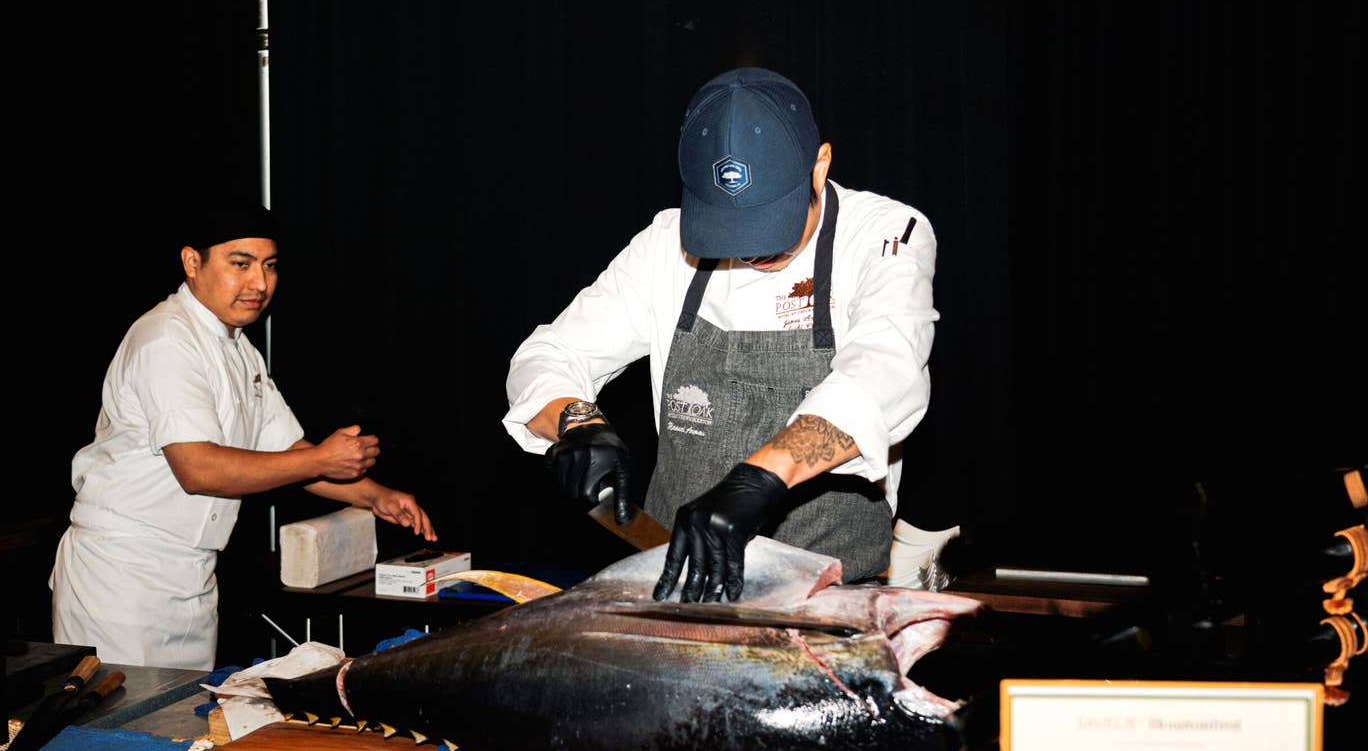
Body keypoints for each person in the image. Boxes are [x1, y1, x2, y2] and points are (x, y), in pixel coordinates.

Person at [504, 67, 937, 603]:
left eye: (769, 229)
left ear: (820, 165)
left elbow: (886, 370)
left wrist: (763, 475)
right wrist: (576, 421)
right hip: (677, 591)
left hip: (828, 601)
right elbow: (549, 353)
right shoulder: (666, 244)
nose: (752, 255)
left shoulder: (885, 236)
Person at [50, 203, 436, 670]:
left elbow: (288, 453)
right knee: (121, 733)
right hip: (121, 575)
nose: (260, 283)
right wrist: (322, 461)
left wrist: (376, 497)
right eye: (241, 264)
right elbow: (199, 468)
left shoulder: (237, 348)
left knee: (187, 731)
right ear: (193, 263)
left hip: (192, 574)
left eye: (269, 266)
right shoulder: (166, 340)